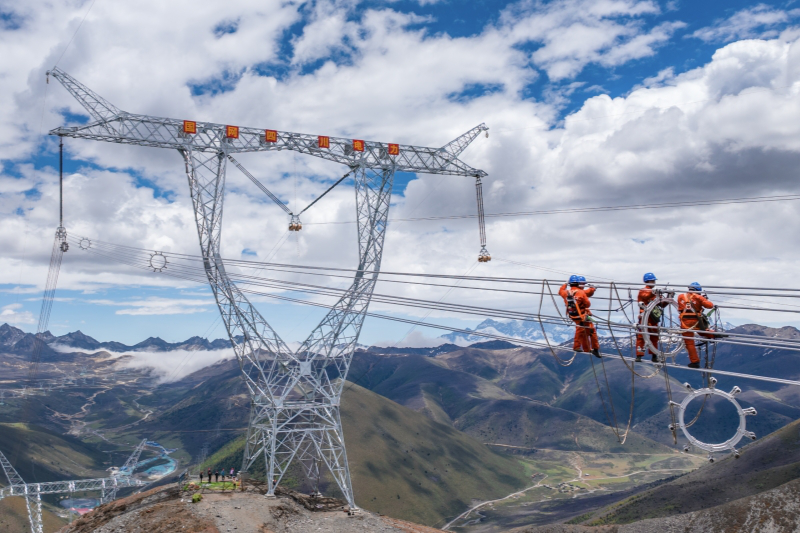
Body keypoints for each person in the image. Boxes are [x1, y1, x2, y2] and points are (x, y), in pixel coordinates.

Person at [559, 275, 601, 358]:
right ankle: (593, 348)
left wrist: (564, 284)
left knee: (582, 330)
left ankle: (586, 349)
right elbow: (587, 304)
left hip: (573, 315)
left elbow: (560, 291)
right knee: (591, 331)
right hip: (582, 316)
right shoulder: (581, 293)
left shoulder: (566, 293)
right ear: (579, 284)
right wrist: (592, 289)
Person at [678, 282, 715, 368]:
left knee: (689, 342)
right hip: (696, 321)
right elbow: (710, 305)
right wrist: (703, 299)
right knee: (702, 331)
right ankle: (714, 335)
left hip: (684, 322)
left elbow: (680, 307)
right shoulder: (698, 297)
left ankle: (695, 362)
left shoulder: (680, 296)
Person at [636, 273, 663, 363]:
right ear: (648, 281)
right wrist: (654, 292)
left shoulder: (654, 292)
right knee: (642, 336)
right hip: (645, 316)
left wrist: (667, 298)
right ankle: (639, 355)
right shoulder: (644, 290)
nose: (654, 282)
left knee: (654, 336)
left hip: (653, 316)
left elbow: (661, 304)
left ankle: (654, 355)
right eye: (653, 280)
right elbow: (645, 296)